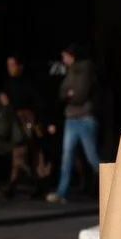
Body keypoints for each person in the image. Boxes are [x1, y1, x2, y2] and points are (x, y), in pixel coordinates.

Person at [0, 55, 50, 199]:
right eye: (8, 65)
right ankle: (22, 186)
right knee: (22, 153)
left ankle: (17, 186)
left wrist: (36, 121)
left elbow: (36, 103)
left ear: (20, 66)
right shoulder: (9, 83)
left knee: (30, 154)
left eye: (13, 65)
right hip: (16, 122)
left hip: (27, 121)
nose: (10, 68)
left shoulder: (28, 83)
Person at [46, 44, 101, 203]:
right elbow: (63, 92)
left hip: (84, 119)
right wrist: (69, 94)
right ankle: (61, 192)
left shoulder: (85, 70)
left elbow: (80, 95)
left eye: (65, 56)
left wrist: (70, 95)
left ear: (72, 56)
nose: (63, 60)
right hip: (71, 118)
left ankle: (114, 185)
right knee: (67, 157)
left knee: (92, 158)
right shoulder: (71, 71)